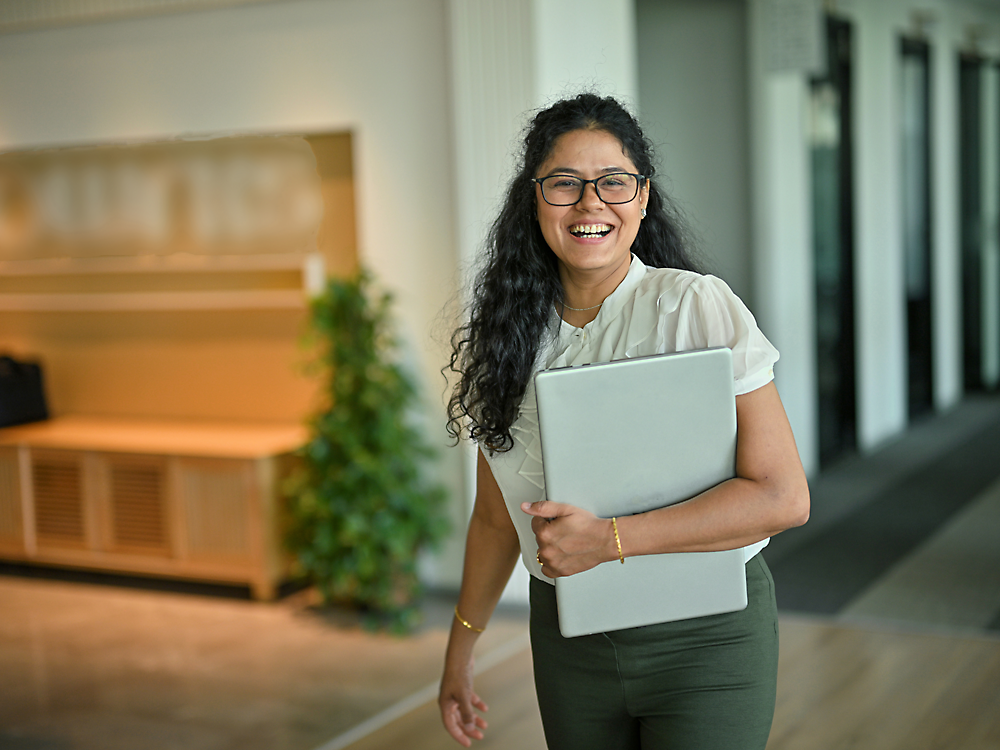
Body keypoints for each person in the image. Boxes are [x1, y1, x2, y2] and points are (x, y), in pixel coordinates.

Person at [438, 93, 809, 750]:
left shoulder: (696, 308)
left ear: (642, 198)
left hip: (709, 638)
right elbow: (497, 519)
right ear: (535, 199)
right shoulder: (508, 340)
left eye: (613, 182)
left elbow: (783, 497)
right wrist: (459, 653)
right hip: (570, 644)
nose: (590, 204)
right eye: (565, 184)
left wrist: (610, 538)